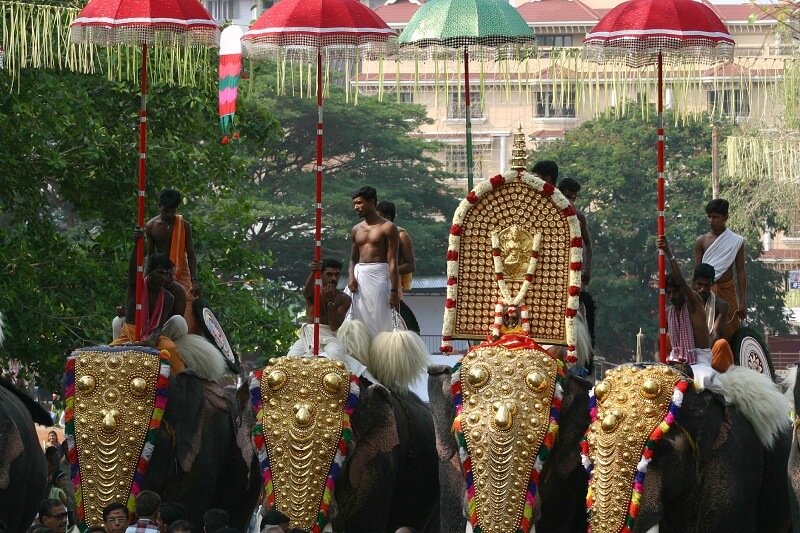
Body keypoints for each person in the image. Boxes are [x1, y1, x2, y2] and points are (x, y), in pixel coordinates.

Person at [109, 241, 186, 374]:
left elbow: (158, 327)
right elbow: (133, 268)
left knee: (171, 350)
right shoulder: (136, 287)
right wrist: (136, 244)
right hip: (130, 334)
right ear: (149, 271)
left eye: (167, 274)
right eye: (160, 273)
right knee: (107, 356)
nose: (164, 277)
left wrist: (150, 341)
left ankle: (180, 384)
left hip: (153, 338)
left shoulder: (168, 298)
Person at [658, 235, 717, 388]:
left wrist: (668, 253)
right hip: (675, 359)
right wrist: (660, 363)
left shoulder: (694, 304)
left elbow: (683, 283)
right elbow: (658, 345)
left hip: (699, 361)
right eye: (669, 293)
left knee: (702, 381)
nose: (672, 296)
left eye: (676, 292)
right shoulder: (668, 312)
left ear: (683, 291)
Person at [346, 186, 400, 338]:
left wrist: (394, 291)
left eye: (359, 203)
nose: (356, 207)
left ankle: (382, 355)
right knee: (356, 320)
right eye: (354, 203)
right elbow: (353, 259)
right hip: (359, 276)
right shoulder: (356, 229)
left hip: (379, 276)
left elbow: (393, 261)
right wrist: (351, 276)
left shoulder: (388, 227)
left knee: (381, 320)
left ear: (372, 202)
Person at [144, 189, 201, 333]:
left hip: (182, 268)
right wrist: (145, 279)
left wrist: (194, 280)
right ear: (159, 206)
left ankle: (188, 341)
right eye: (166, 210)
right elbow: (150, 255)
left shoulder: (183, 225)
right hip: (160, 269)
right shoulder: (151, 226)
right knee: (158, 303)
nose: (169, 214)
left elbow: (191, 254)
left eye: (172, 211)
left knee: (189, 305)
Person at [694, 198, 746, 341]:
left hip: (728, 291)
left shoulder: (736, 241)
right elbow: (696, 273)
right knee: (705, 329)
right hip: (705, 292)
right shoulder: (701, 241)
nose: (711, 220)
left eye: (715, 217)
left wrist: (743, 302)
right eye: (709, 216)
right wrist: (693, 297)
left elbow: (740, 271)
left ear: (725, 218)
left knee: (731, 330)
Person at [692, 263, 734, 372]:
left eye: (706, 285)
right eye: (699, 284)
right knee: (667, 338)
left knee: (722, 344)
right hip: (687, 349)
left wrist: (703, 358)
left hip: (708, 350)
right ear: (693, 281)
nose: (702, 289)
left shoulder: (721, 305)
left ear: (712, 284)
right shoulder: (685, 302)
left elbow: (715, 334)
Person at [557, 178, 593, 287]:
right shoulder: (550, 214)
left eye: (574, 197)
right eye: (568, 197)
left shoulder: (579, 217)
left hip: (572, 270)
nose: (571, 201)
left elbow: (587, 244)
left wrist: (587, 268)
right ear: (559, 194)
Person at [376, 201, 415, 296]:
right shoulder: (371, 235)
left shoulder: (401, 236)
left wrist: (385, 272)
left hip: (391, 287)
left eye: (377, 218)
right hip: (370, 283)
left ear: (388, 218)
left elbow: (410, 266)